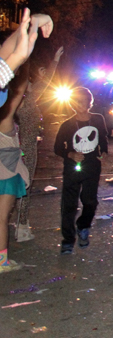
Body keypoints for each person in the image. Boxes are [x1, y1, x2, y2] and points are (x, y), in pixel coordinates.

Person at [13, 46, 63, 241]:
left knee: (9, 187)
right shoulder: (29, 101)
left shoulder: (12, 102)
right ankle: (22, 226)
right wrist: (55, 61)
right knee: (24, 186)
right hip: (25, 149)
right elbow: (47, 80)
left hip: (10, 148)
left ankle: (16, 222)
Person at [54, 87, 109, 255]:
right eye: (77, 101)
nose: (80, 104)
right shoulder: (67, 124)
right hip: (73, 167)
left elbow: (103, 138)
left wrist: (104, 152)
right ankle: (68, 240)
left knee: (90, 200)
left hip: (92, 166)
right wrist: (70, 154)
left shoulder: (98, 119)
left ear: (89, 102)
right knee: (69, 204)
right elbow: (57, 148)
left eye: (84, 100)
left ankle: (83, 226)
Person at [0, 65, 31, 272]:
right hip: (7, 174)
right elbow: (18, 92)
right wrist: (25, 65)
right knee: (2, 218)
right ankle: (2, 262)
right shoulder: (5, 120)